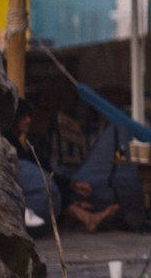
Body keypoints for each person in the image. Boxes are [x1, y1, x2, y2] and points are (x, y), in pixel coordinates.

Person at [8, 100, 119, 233]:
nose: (28, 121)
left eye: (29, 116)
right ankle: (86, 218)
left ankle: (82, 214)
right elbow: (36, 175)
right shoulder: (9, 145)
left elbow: (47, 171)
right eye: (24, 117)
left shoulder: (27, 145)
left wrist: (72, 185)